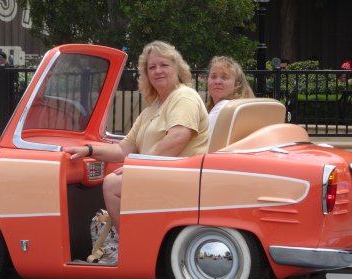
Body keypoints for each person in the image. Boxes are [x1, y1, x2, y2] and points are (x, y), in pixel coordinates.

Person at [65, 40, 209, 233]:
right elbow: (122, 149)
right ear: (146, 74)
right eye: (152, 67)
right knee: (116, 176)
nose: (158, 71)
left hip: (183, 178)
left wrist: (138, 167)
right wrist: (88, 150)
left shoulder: (184, 96)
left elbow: (178, 137)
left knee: (112, 184)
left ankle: (130, 246)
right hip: (160, 175)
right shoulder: (152, 109)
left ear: (178, 68)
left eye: (164, 65)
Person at [206, 56, 254, 134]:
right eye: (213, 77)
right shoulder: (243, 107)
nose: (217, 81)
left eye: (224, 77)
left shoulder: (223, 108)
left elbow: (202, 144)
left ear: (236, 84)